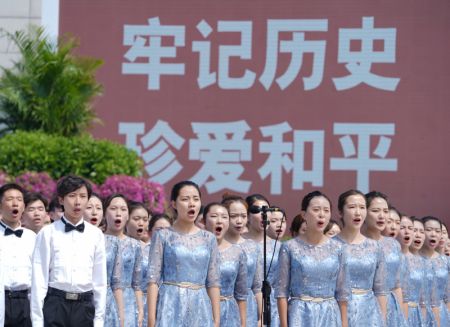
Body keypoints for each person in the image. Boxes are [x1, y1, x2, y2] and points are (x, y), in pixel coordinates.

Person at [31, 175, 107, 327]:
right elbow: (39, 279)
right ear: (61, 200)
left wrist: (99, 320)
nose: (78, 202)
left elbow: (100, 281)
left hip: (84, 306)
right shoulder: (47, 233)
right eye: (72, 196)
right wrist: (38, 321)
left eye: (83, 196)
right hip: (55, 304)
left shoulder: (96, 235)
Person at [147, 181, 220, 327]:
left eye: (196, 199)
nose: (191, 204)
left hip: (200, 305)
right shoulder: (163, 236)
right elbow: (153, 279)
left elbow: (213, 281)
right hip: (170, 303)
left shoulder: (209, 238)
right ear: (174, 204)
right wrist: (151, 319)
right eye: (185, 199)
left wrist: (216, 318)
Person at [335, 189, 387, 327]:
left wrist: (383, 321)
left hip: (369, 313)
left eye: (362, 207)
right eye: (352, 207)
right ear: (340, 212)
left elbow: (380, 290)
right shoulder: (331, 245)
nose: (358, 212)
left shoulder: (375, 247)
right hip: (337, 311)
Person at [363, 191, 407, 327]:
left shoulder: (394, 245)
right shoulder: (354, 244)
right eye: (376, 211)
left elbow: (398, 285)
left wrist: (401, 317)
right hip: (364, 308)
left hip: (392, 308)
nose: (382, 216)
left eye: (385, 211)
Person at [204, 202, 247, 327]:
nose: (219, 221)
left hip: (229, 313)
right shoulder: (197, 251)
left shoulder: (237, 252)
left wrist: (243, 323)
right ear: (203, 220)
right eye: (214, 216)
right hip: (202, 308)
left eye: (224, 217)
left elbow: (241, 293)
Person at [223, 194, 262, 327]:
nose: (239, 221)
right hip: (222, 305)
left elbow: (257, 286)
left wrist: (261, 317)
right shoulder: (214, 245)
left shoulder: (252, 246)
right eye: (234, 216)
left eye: (243, 216)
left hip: (249, 308)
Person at [104, 194, 143, 327]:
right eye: (113, 208)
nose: (118, 213)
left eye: (123, 209)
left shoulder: (135, 245)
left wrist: (140, 309)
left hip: (128, 304)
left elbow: (137, 284)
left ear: (127, 216)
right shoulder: (97, 241)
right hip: (103, 300)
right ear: (105, 213)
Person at [0, 183, 36, 326]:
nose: (15, 203)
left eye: (19, 199)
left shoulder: (32, 237)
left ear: (23, 207)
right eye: (9, 199)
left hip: (25, 302)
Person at [245, 194, 282, 327]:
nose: (263, 214)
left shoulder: (279, 246)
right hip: (247, 302)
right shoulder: (238, 244)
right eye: (258, 210)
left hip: (274, 305)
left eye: (266, 210)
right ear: (247, 215)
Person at [419, 216, 449, 326]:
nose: (433, 234)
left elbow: (448, 296)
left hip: (442, 315)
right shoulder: (413, 259)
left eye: (437, 231)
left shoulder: (446, 262)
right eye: (429, 230)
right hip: (419, 313)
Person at [398, 215, 426, 326]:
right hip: (396, 313)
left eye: (411, 229)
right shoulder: (390, 258)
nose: (407, 232)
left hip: (416, 316)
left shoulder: (420, 262)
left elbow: (423, 300)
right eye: (403, 228)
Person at [127, 201, 151, 327]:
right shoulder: (118, 246)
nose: (141, 223)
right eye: (136, 219)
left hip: (148, 305)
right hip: (125, 302)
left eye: (145, 219)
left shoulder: (150, 249)